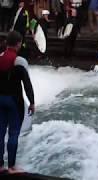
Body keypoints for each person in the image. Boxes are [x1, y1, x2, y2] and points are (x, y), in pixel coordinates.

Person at [0, 31, 35, 174]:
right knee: (13, 133)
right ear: (18, 43)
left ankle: (0, 165)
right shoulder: (19, 61)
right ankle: (12, 167)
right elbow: (27, 84)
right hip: (14, 101)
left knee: (0, 133)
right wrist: (32, 102)